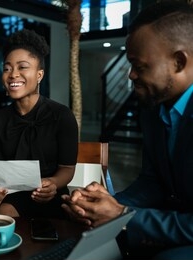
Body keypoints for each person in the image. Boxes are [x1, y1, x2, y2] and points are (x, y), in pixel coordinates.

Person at [61, 1, 193, 259]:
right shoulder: (153, 111)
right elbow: (152, 182)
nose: (131, 76)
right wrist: (105, 203)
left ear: (178, 62)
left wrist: (122, 216)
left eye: (140, 66)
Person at [0, 29, 78, 222]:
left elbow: (67, 169)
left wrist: (52, 183)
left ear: (39, 75)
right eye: (7, 68)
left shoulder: (62, 115)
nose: (13, 75)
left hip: (47, 191)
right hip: (12, 189)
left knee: (5, 212)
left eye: (22, 67)